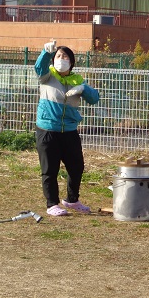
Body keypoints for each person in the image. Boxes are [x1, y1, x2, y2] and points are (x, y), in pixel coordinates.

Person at [35, 41, 100, 217]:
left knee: (76, 166)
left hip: (69, 131)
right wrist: (46, 53)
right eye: (58, 56)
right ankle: (52, 204)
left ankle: (72, 200)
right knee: (50, 170)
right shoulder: (47, 75)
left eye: (65, 57)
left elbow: (94, 99)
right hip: (48, 130)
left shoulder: (77, 80)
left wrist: (83, 89)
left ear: (71, 62)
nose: (61, 59)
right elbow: (39, 67)